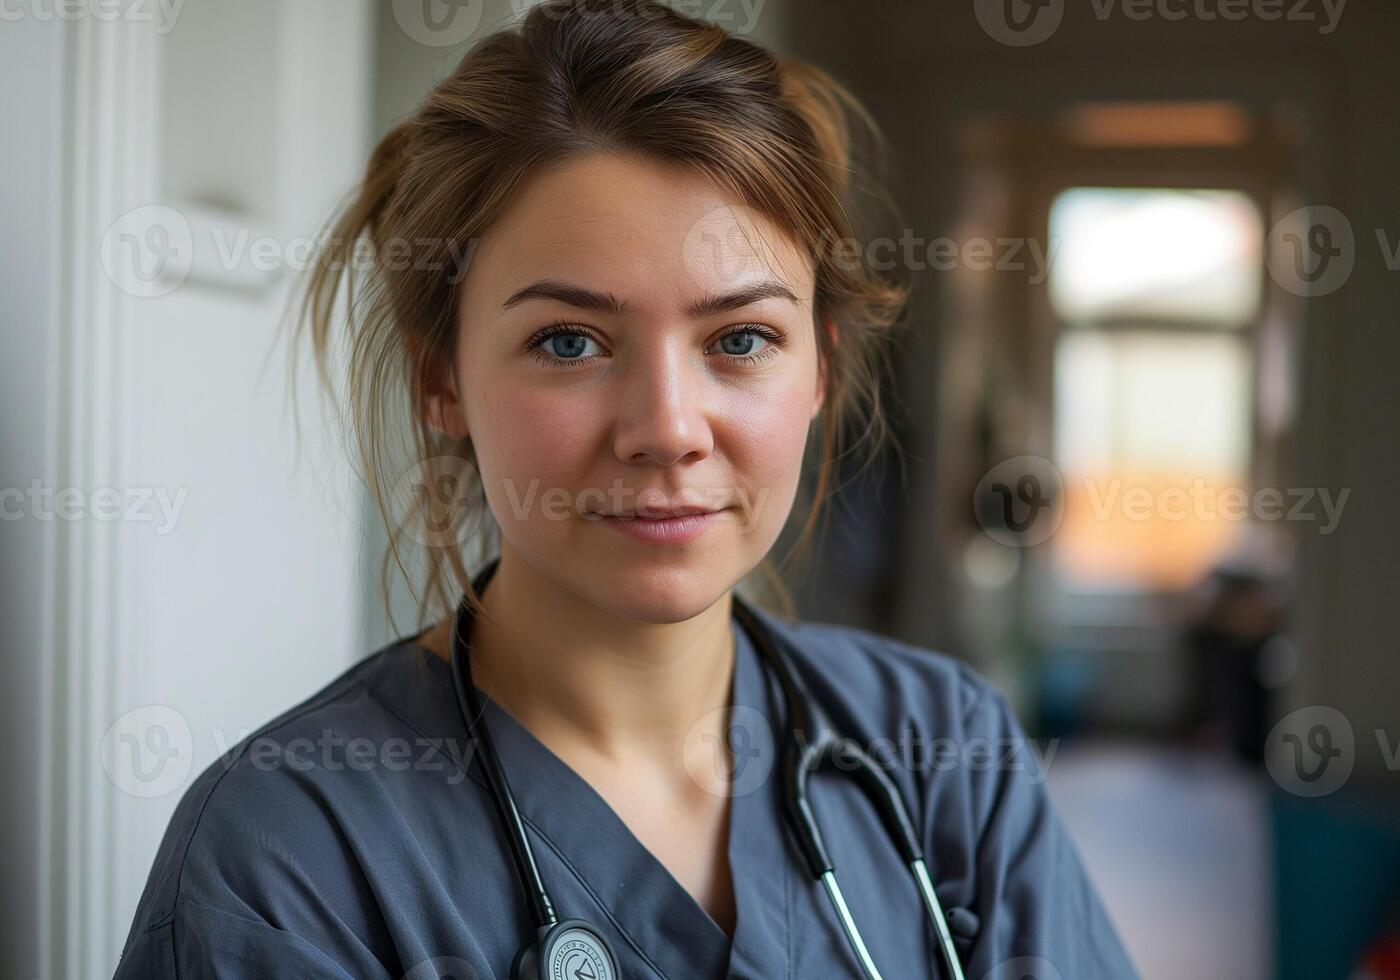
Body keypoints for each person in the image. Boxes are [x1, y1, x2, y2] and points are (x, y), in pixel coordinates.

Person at [114, 2, 1137, 977]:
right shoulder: (288, 858)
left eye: (741, 339)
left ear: (818, 366)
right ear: (443, 379)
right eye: (570, 341)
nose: (668, 429)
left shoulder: (944, 754)